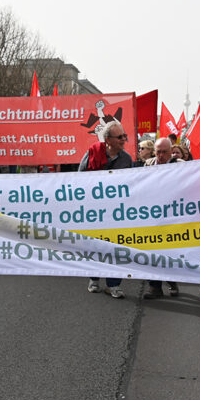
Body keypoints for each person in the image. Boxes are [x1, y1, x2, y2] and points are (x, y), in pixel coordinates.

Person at [79, 121, 133, 299]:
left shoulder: (126, 160)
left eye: (124, 136)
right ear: (108, 140)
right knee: (94, 246)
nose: (124, 140)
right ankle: (94, 278)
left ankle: (113, 284)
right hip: (95, 212)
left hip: (116, 213)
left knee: (116, 247)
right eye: (120, 137)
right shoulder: (92, 153)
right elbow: (79, 179)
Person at [142, 138, 183, 299]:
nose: (161, 155)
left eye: (164, 152)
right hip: (152, 216)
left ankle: (172, 282)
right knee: (152, 252)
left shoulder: (180, 165)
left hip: (172, 216)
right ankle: (154, 287)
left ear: (171, 151)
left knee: (170, 253)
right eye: (158, 152)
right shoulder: (148, 164)